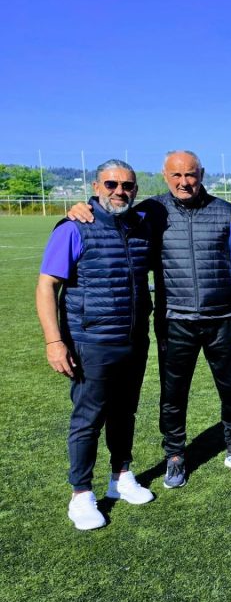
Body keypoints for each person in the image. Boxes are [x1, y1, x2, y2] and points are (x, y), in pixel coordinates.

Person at [68, 150, 231, 488]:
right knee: (173, 393)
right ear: (166, 176)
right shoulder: (150, 211)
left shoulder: (224, 211)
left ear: (202, 174)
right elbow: (112, 211)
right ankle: (175, 454)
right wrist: (82, 207)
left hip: (222, 317)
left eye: (191, 175)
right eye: (176, 175)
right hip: (175, 319)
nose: (184, 182)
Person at [37, 160, 155, 529]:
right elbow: (46, 286)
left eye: (127, 185)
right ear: (95, 186)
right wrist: (54, 341)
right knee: (88, 418)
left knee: (125, 412)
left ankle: (121, 476)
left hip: (133, 339)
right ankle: (81, 494)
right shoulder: (75, 227)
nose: (120, 191)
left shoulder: (140, 225)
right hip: (91, 341)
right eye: (111, 184)